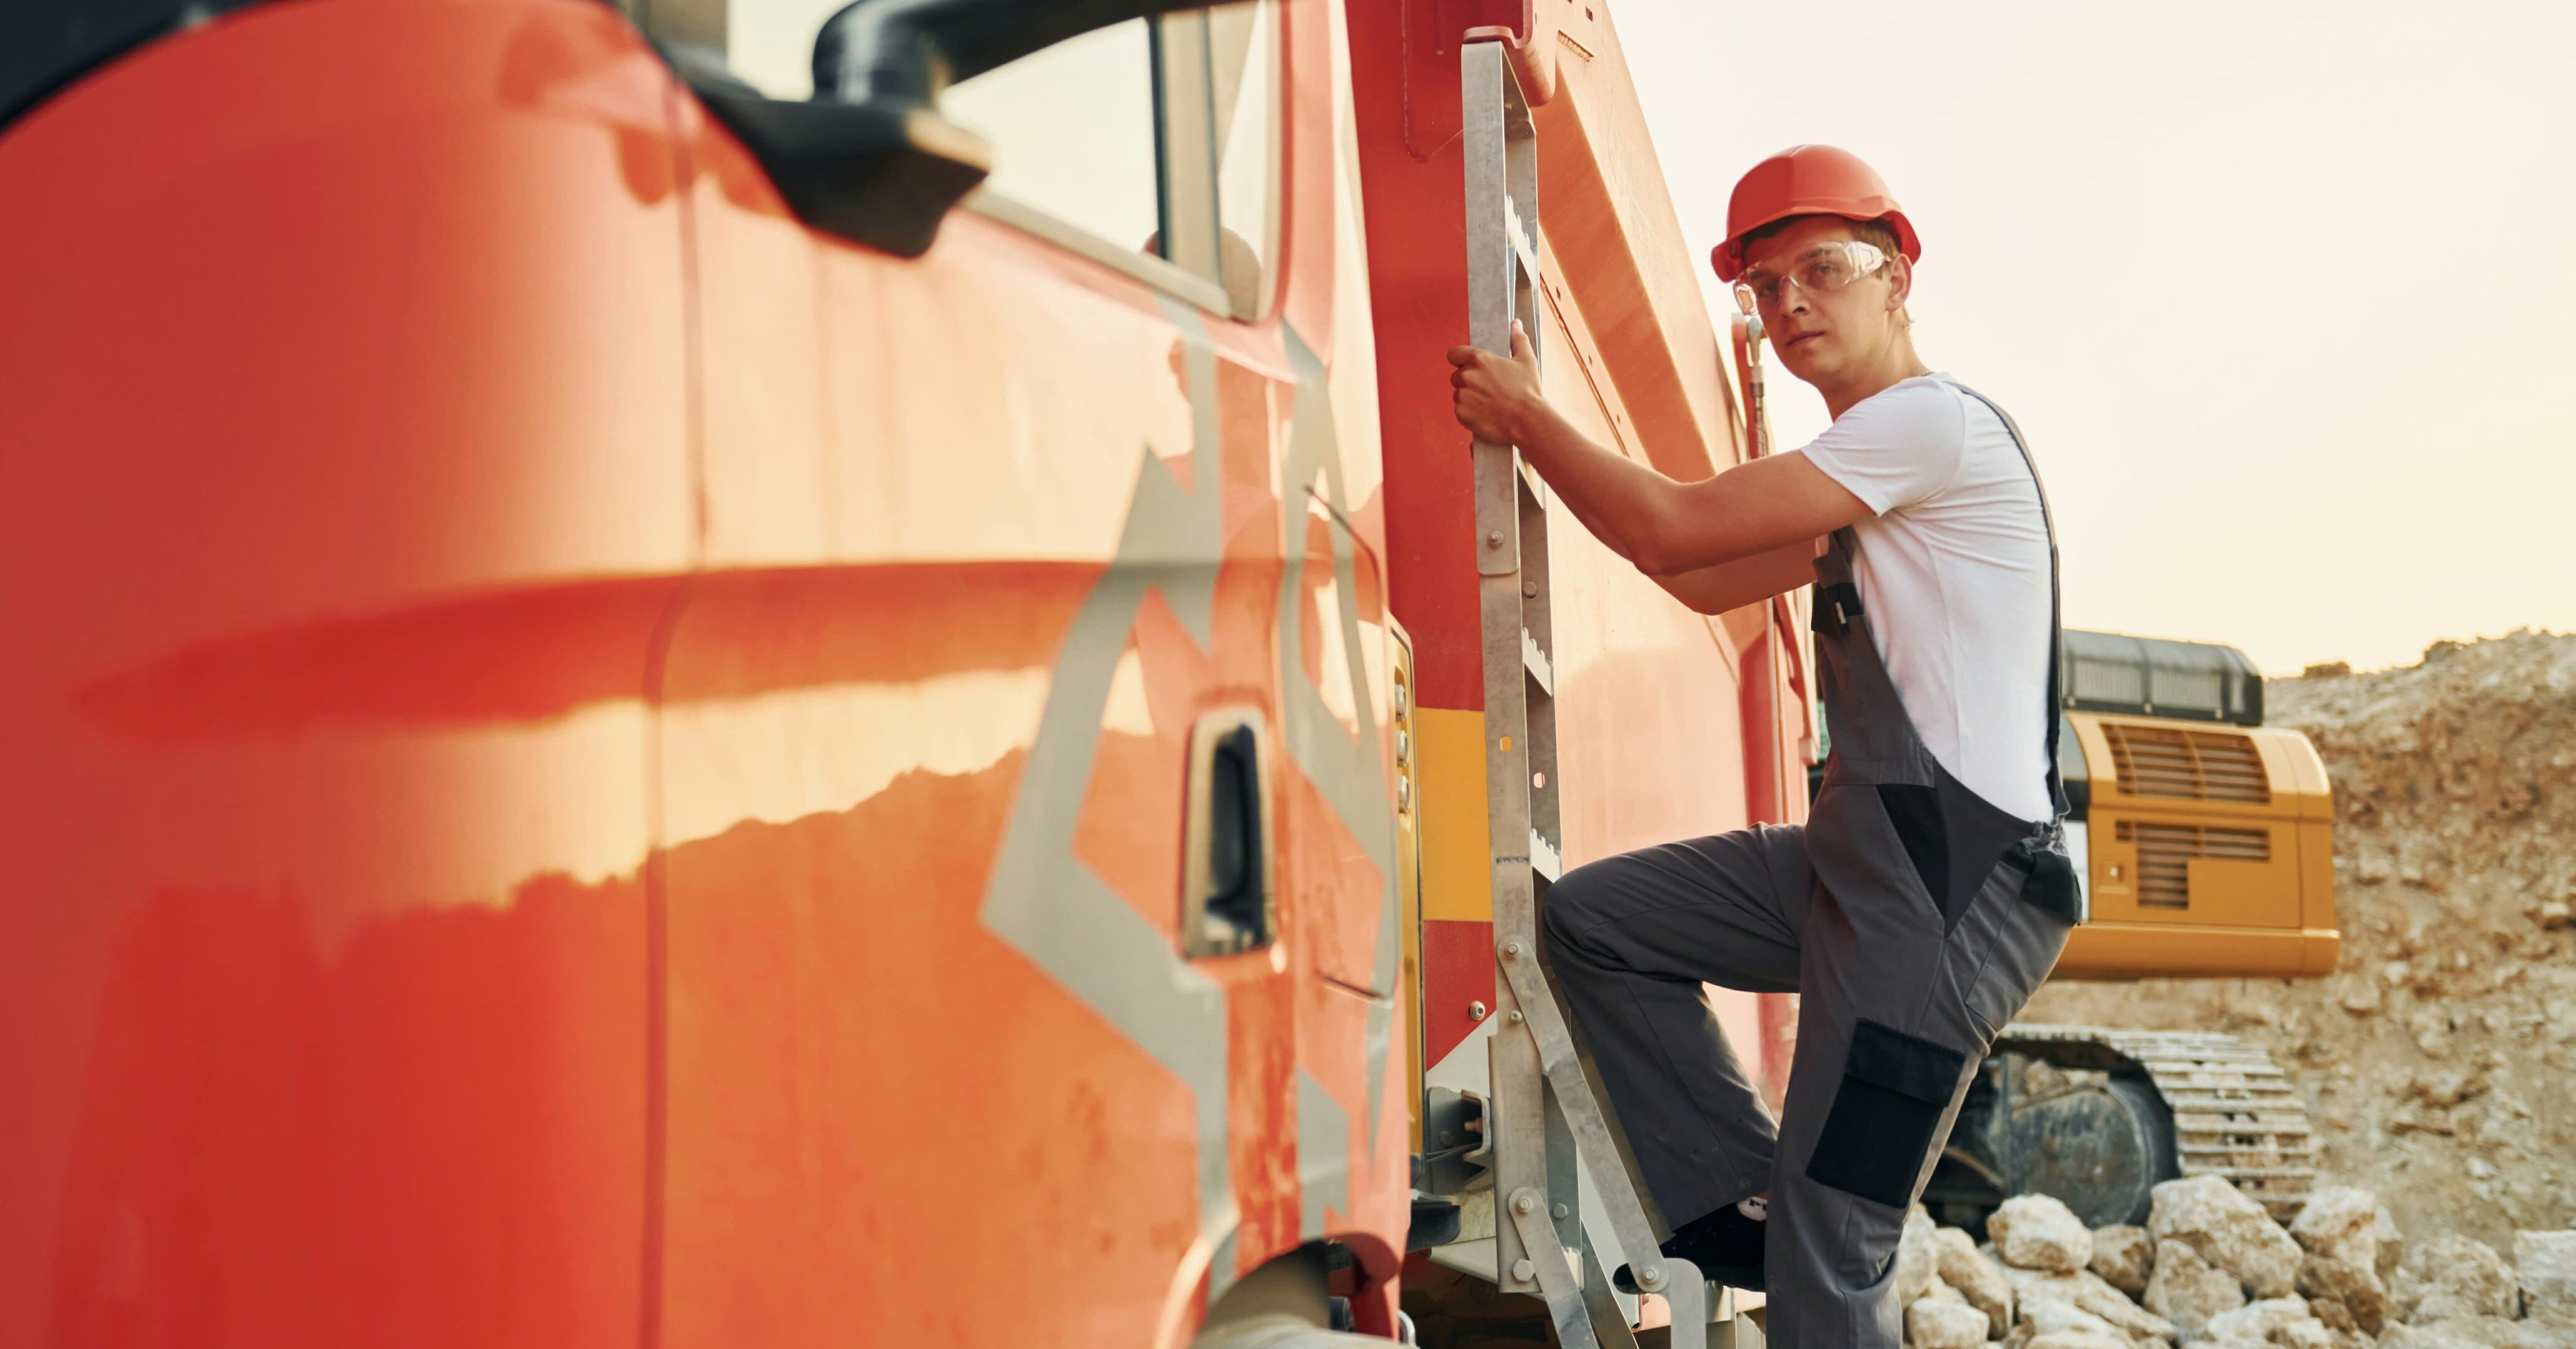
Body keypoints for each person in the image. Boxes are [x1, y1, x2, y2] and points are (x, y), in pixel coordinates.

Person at [1445, 144, 2082, 1349]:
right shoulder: (1863, 488)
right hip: (1860, 862)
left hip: (1951, 895)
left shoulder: (1928, 430)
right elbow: (1694, 576)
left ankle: (1796, 1230)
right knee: (1593, 925)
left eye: (1822, 270)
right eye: (1765, 287)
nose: (1790, 305)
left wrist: (1531, 418)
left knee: (1834, 1252)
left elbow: (1674, 527)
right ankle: (1750, 1202)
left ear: (1898, 278)